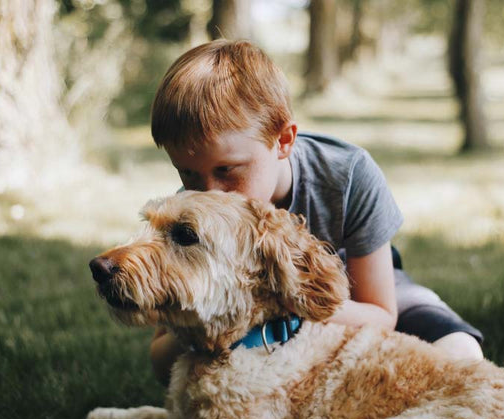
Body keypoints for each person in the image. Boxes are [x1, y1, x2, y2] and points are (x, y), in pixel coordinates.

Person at [148, 39, 483, 385]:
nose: (208, 194)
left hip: (357, 292)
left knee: (461, 351)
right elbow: (161, 360)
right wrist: (201, 319)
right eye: (187, 173)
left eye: (227, 170)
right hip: (249, 322)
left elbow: (382, 314)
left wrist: (286, 302)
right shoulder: (190, 219)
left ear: (283, 141)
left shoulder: (347, 175)